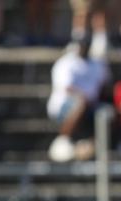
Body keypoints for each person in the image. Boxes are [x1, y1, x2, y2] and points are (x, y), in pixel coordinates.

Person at [46, 33, 108, 162]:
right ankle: (62, 140)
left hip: (91, 105)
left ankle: (98, 145)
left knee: (107, 111)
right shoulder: (66, 63)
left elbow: (105, 85)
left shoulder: (97, 64)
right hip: (63, 105)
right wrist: (85, 98)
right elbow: (67, 88)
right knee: (81, 103)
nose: (82, 48)